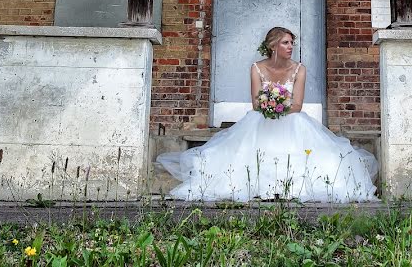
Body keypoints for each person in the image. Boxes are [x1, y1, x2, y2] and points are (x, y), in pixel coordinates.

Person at [157, 26, 378, 202]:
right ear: (273, 46)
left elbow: (298, 104)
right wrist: (268, 106)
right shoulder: (257, 68)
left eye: (292, 43)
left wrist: (279, 106)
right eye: (286, 42)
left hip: (292, 120)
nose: (291, 46)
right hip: (261, 119)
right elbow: (255, 102)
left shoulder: (299, 69)